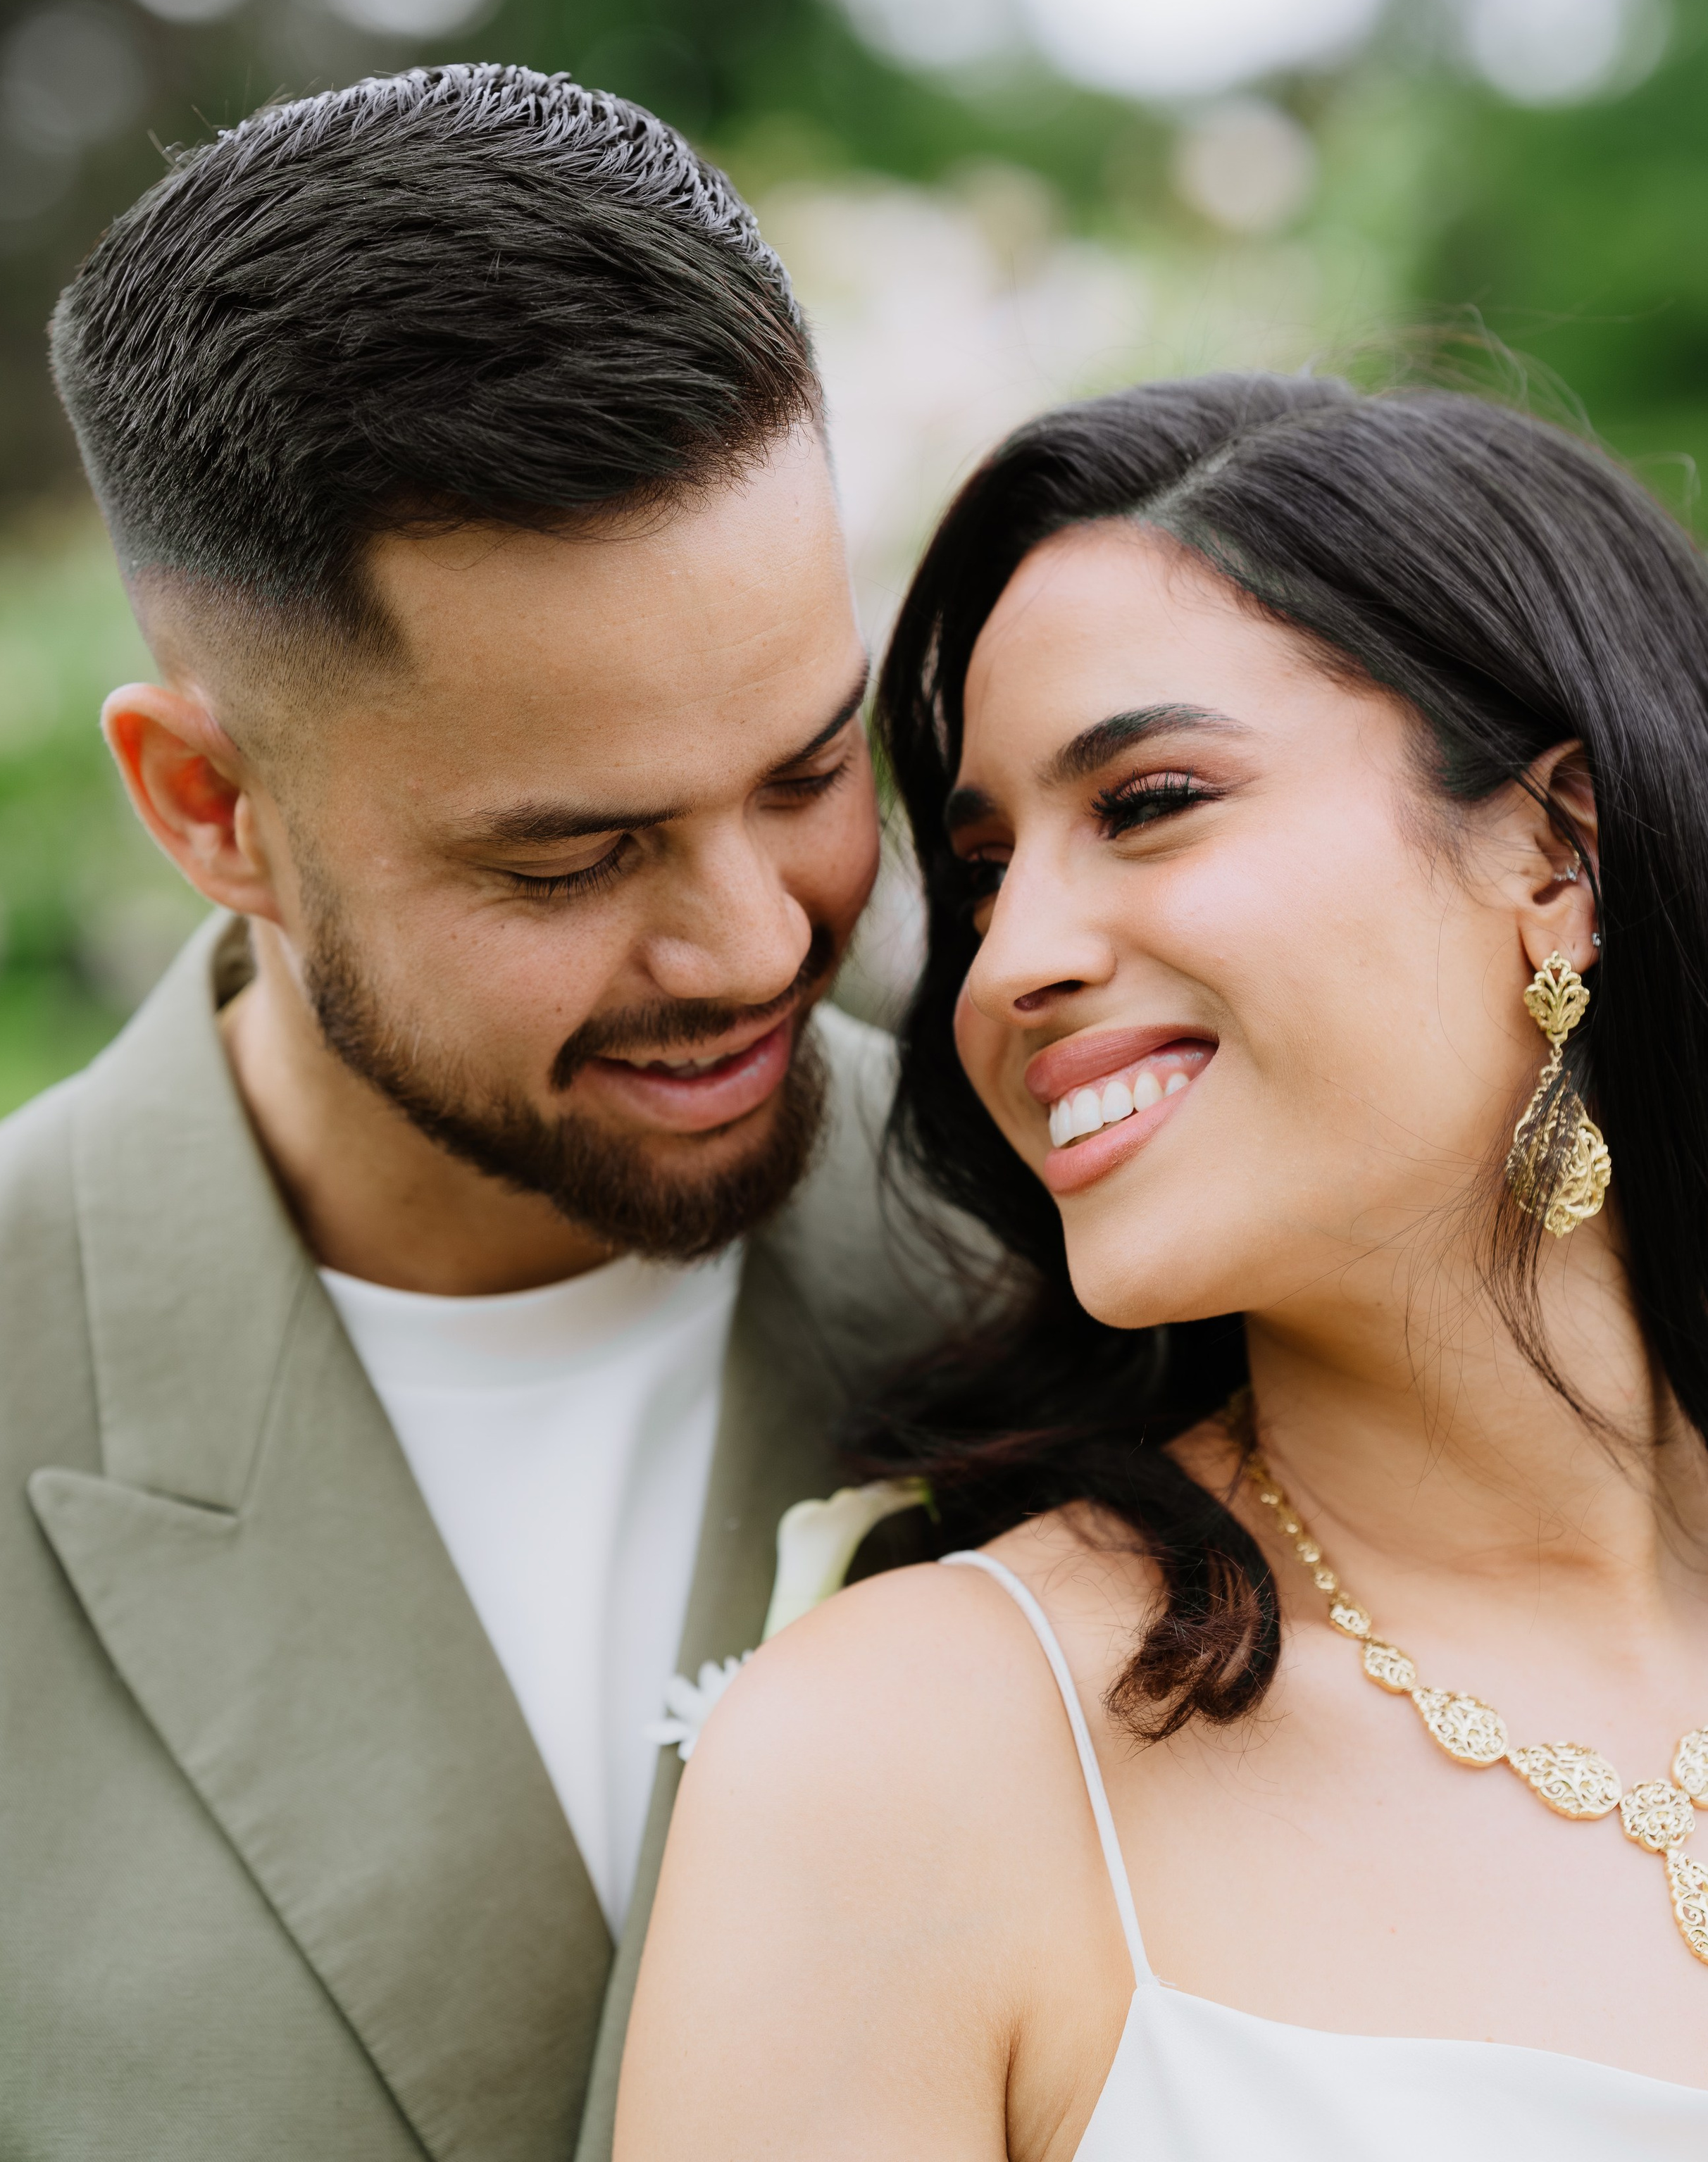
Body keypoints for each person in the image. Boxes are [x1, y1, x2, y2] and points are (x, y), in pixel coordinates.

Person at [0, 65, 960, 2162]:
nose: (759, 942)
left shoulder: (1087, 1276)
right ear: (210, 808)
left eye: (809, 771)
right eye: (572, 861)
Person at [619, 371, 1708, 2160]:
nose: (1004, 963)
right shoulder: (909, 1759)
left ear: (1554, 850)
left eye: (1147, 800)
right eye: (980, 872)